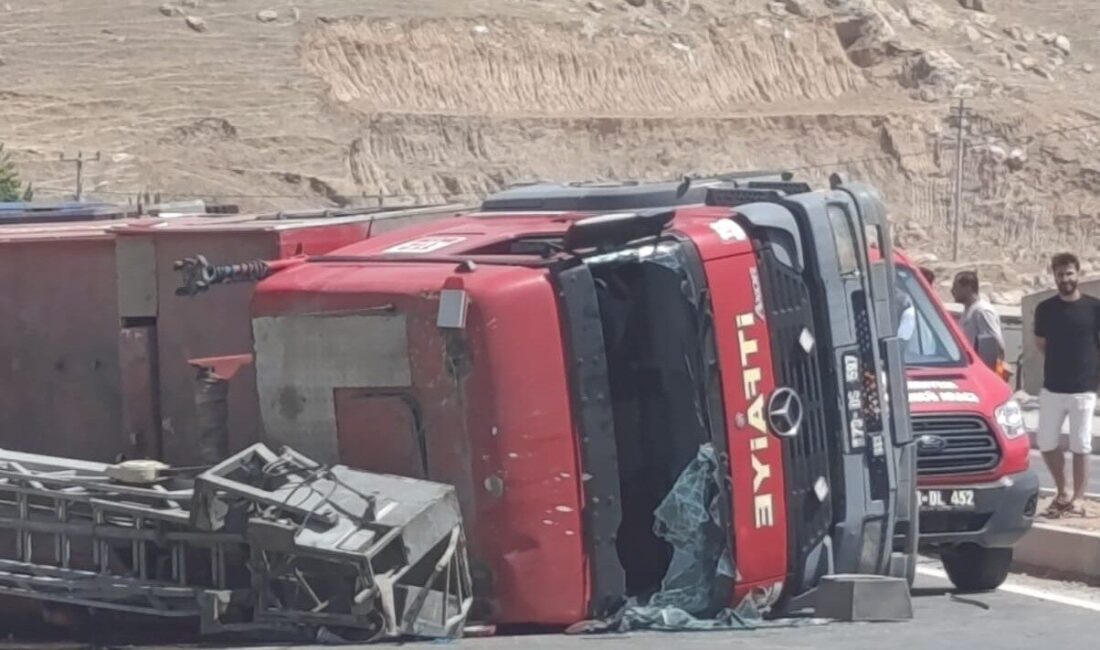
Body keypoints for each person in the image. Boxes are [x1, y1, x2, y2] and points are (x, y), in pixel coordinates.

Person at [1035, 252, 1100, 517]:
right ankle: (1062, 491)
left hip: (1084, 389)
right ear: (1054, 276)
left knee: (1081, 445)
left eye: (1069, 273)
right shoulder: (1045, 309)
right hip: (1052, 387)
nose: (1065, 279)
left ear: (1078, 275)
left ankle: (1079, 499)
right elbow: (1041, 344)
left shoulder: (1094, 308)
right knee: (1046, 442)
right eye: (1060, 274)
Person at [951, 271, 1005, 371]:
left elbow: (995, 345)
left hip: (983, 371)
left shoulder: (982, 311)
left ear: (968, 288)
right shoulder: (969, 311)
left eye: (956, 287)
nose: (952, 291)